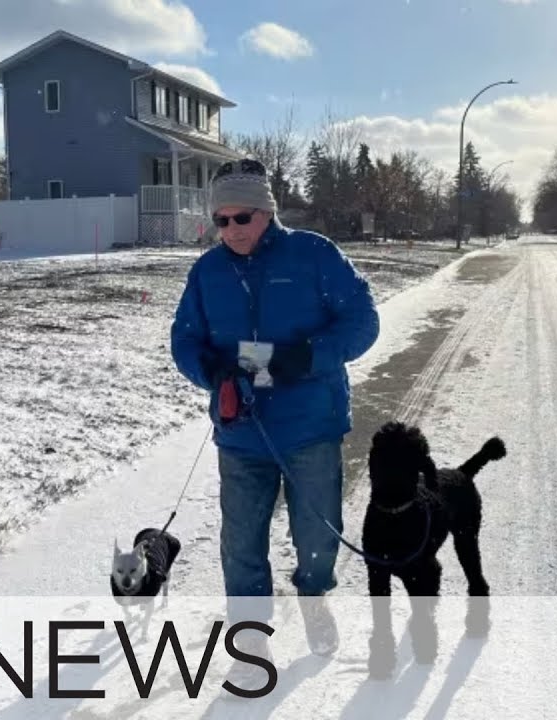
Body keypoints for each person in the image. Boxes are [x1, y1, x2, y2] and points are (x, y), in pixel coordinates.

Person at [170, 158, 380, 669]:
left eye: (243, 217)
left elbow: (362, 321)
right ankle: (249, 632)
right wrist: (211, 370)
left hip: (310, 426)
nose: (232, 230)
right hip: (241, 433)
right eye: (221, 220)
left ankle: (313, 596)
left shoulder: (313, 255)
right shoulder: (208, 272)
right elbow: (184, 339)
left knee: (316, 530)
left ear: (267, 211)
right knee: (240, 540)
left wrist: (309, 355)